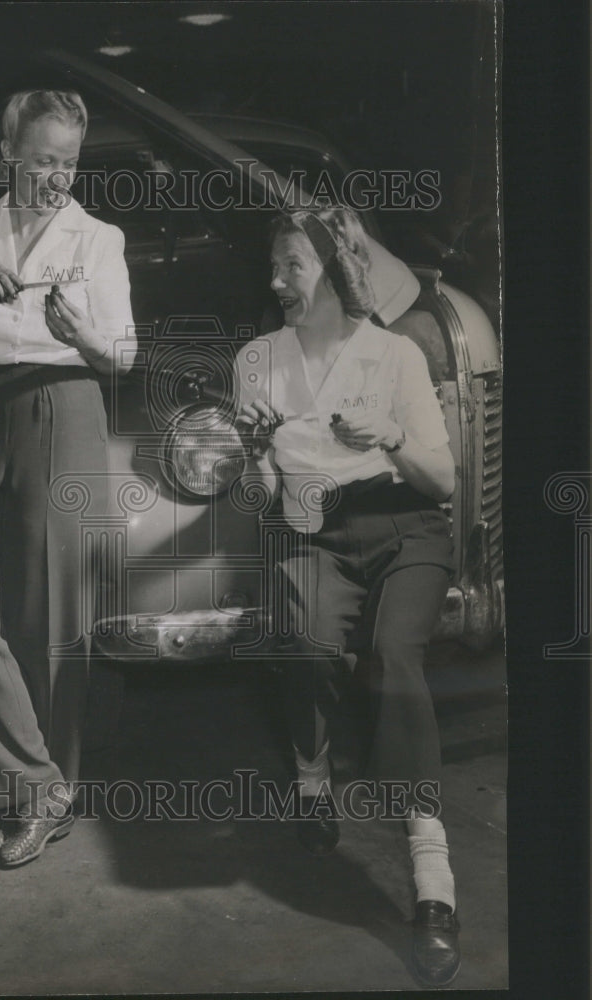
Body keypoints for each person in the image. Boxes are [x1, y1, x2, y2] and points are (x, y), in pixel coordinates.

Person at [235, 206, 460, 986]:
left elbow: (444, 481)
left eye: (291, 265)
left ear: (333, 271)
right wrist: (256, 448)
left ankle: (432, 882)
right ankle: (310, 773)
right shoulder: (257, 360)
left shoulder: (395, 357)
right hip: (312, 530)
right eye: (275, 265)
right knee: (304, 643)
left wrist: (390, 438)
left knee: (395, 655)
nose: (275, 281)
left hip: (406, 530)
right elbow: (263, 499)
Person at [0, 90, 135, 868]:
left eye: (69, 162)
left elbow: (122, 355)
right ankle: (33, 784)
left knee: (50, 623)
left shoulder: (99, 239)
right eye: (44, 159)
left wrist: (78, 331)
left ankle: (29, 801)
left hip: (66, 407)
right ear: (9, 151)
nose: (57, 176)